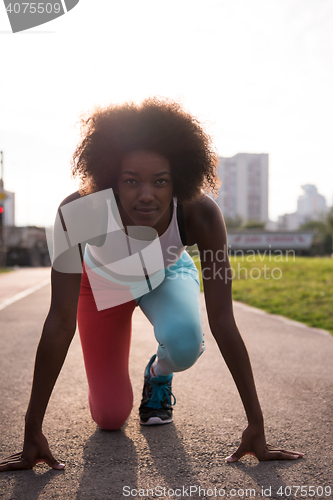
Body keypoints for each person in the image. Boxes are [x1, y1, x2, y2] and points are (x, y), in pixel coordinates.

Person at [0, 98, 303, 471]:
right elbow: (59, 322)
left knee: (186, 341)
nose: (147, 194)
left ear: (179, 180)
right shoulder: (77, 213)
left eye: (161, 181)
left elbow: (224, 320)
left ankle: (158, 373)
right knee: (110, 417)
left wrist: (257, 424)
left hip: (166, 275)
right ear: (110, 179)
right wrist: (32, 429)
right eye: (131, 181)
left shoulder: (200, 214)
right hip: (99, 289)